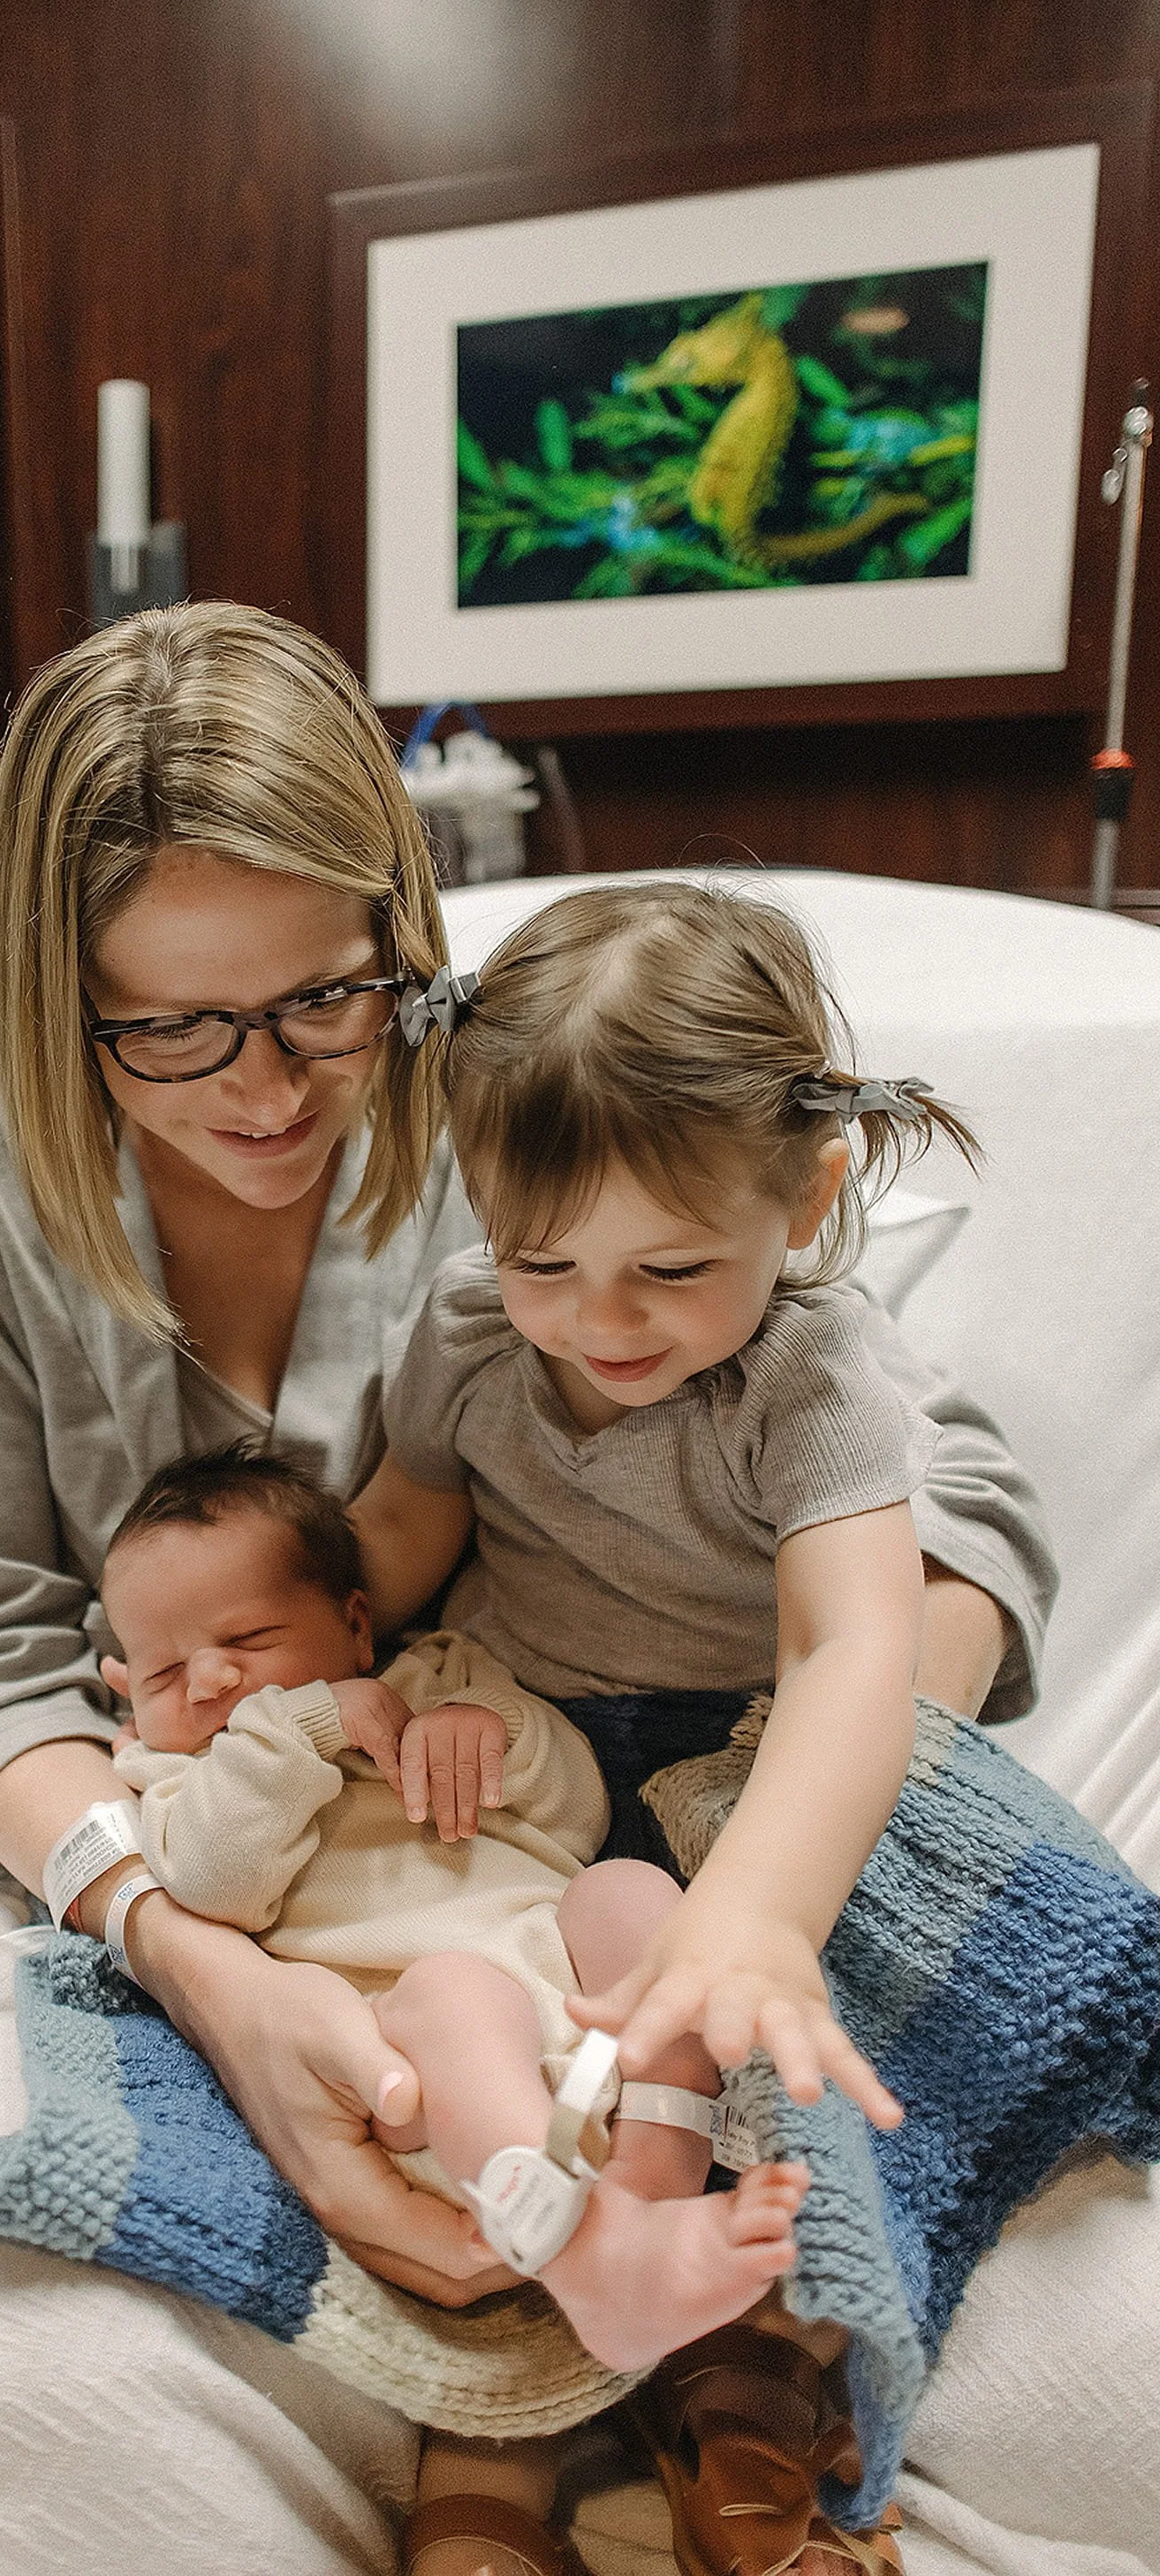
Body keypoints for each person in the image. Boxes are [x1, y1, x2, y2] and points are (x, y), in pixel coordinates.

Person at [0, 604, 1055, 2572]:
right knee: (43, 2403)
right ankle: (501, 2462)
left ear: (401, 938)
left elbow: (933, 1485)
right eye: (166, 1028)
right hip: (262, 1861)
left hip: (561, 1802)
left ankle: (721, 2421)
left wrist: (773, 1819)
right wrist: (197, 1957)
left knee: (758, 2127)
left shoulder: (505, 1089)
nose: (263, 1092)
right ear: (47, 996)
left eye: (324, 1002)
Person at [346, 878, 1006, 2569]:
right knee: (466, 2015)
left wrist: (762, 1916)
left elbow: (856, 1645)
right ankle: (518, 2381)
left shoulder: (810, 1379)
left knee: (745, 2049)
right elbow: (407, 1529)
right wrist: (288, 1659)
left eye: (672, 1267)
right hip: (539, 1757)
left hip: (741, 1765)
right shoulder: (474, 1333)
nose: (601, 1319)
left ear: (808, 1194)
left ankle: (737, 2382)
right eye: (543, 1255)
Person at [98, 1440, 813, 2576]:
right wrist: (303, 1728)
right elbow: (215, 1881)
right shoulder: (176, 1778)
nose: (214, 1682)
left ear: (353, 1621)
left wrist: (497, 1738)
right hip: (442, 2096)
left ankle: (651, 2186)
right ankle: (583, 2248)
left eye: (244, 1641)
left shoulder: (447, 1678)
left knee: (627, 1891)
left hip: (590, 2060)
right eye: (163, 1669)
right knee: (455, 1986)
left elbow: (573, 1809)